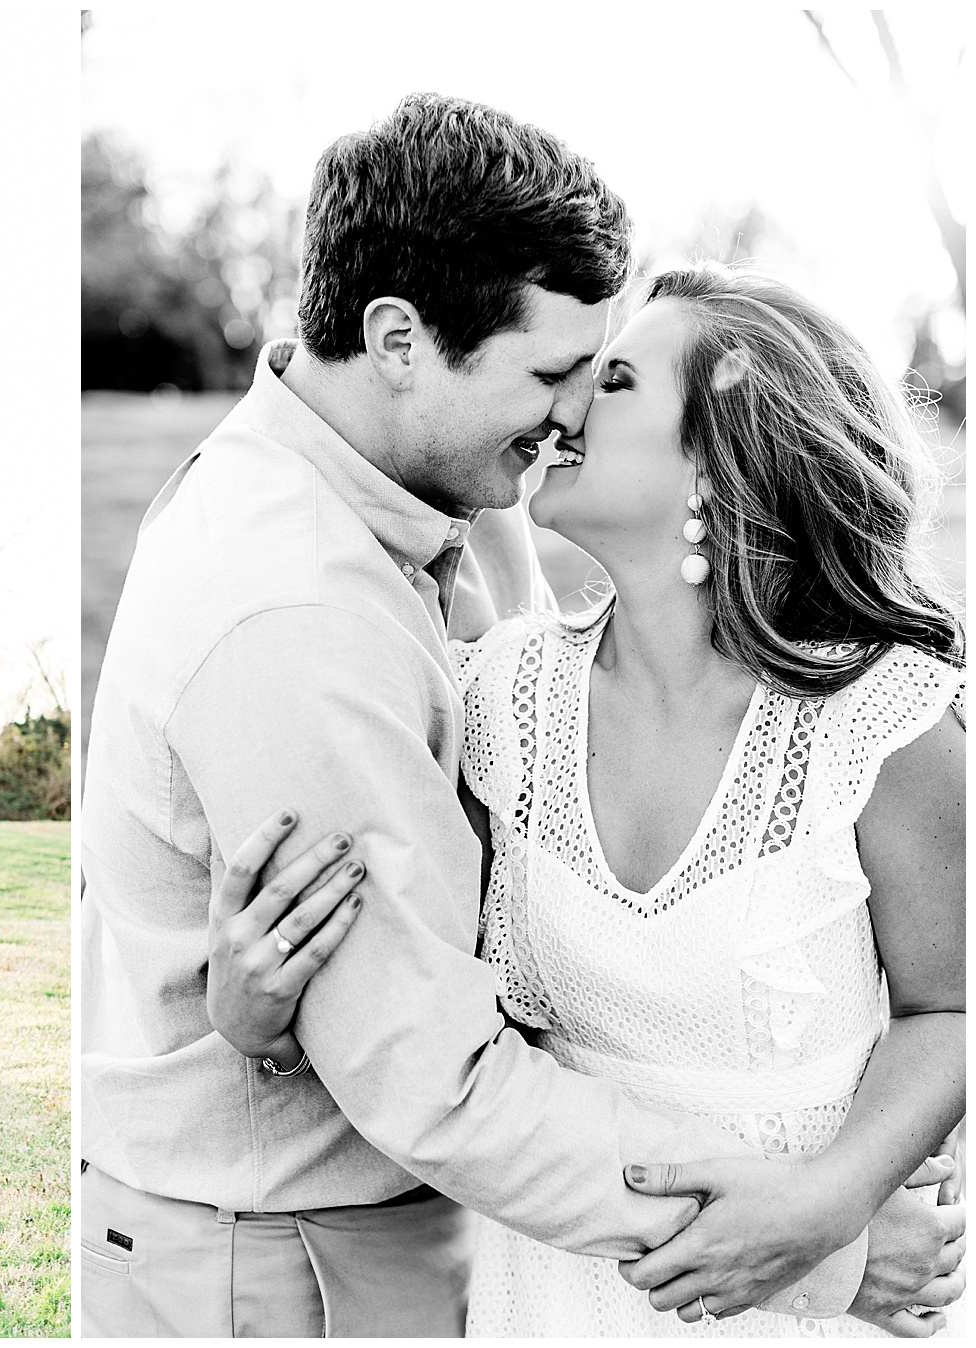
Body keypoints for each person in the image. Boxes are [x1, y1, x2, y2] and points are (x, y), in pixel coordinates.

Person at [79, 93, 959, 1336]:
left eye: (602, 377)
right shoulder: (295, 615)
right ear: (397, 340)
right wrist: (825, 1239)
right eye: (555, 373)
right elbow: (431, 1066)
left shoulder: (461, 504)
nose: (567, 419)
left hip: (548, 1234)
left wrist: (846, 1174)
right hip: (281, 1255)